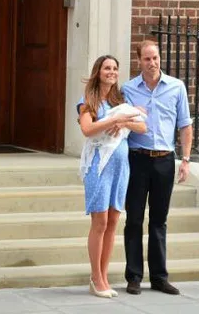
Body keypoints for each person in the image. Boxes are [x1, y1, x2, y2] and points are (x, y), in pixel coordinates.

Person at [122, 40, 192, 296]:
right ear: (138, 60)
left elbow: (185, 125)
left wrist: (185, 160)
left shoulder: (176, 87)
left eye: (155, 58)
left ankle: (160, 277)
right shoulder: (128, 89)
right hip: (137, 160)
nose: (152, 63)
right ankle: (134, 277)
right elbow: (120, 122)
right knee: (134, 219)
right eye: (147, 59)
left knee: (159, 221)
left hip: (165, 161)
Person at [77, 55, 146, 298]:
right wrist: (113, 120)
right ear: (98, 72)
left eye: (115, 68)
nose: (112, 72)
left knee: (114, 221)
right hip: (98, 166)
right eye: (107, 68)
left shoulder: (121, 100)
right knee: (100, 222)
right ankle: (96, 278)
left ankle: (104, 276)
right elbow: (87, 129)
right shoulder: (88, 101)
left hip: (121, 167)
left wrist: (125, 120)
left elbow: (142, 127)